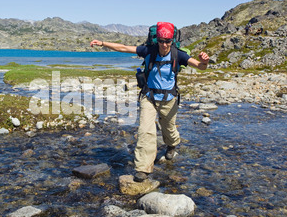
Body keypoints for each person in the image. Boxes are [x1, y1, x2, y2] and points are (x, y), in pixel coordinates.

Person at [90, 22, 210, 182]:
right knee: (145, 131)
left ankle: (172, 145)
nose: (164, 45)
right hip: (149, 97)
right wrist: (103, 43)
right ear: (157, 40)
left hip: (169, 99)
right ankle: (142, 169)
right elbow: (124, 48)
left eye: (168, 41)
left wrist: (204, 61)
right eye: (161, 41)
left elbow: (200, 67)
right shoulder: (149, 51)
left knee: (169, 129)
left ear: (172, 41)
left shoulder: (178, 54)